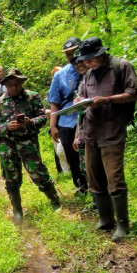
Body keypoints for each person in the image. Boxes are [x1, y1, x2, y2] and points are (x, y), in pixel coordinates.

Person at [76, 36, 137, 241]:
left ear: (101, 53)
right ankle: (105, 219)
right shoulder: (88, 75)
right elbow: (82, 101)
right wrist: (80, 102)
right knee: (94, 176)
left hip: (112, 130)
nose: (87, 63)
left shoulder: (121, 66)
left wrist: (107, 100)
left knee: (114, 177)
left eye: (91, 59)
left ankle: (122, 225)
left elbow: (134, 93)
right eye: (85, 60)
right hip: (91, 131)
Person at [0, 68, 61, 224]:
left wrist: (30, 122)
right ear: (6, 85)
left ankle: (54, 200)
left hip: (28, 143)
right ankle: (17, 210)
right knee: (11, 178)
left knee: (38, 172)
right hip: (7, 146)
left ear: (22, 82)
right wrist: (7, 127)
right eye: (10, 85)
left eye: (16, 84)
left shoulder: (32, 97)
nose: (14, 88)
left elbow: (43, 117)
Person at [48, 37, 88, 195]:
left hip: (88, 117)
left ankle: (95, 186)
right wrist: (53, 126)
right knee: (71, 155)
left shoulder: (91, 69)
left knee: (88, 154)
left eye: (74, 52)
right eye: (68, 54)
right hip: (66, 120)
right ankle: (80, 186)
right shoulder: (61, 75)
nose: (72, 56)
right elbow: (54, 102)